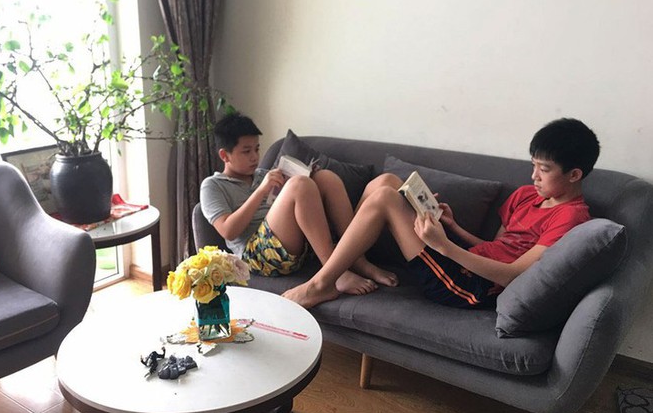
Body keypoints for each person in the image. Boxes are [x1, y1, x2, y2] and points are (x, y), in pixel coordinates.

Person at [284, 118, 600, 308]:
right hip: (464, 260)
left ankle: (321, 284)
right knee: (387, 182)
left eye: (544, 169)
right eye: (533, 165)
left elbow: (513, 274)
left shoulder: (571, 218)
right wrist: (453, 226)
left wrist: (444, 245)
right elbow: (494, 247)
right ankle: (357, 262)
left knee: (385, 198)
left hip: (472, 288)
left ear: (574, 174)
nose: (534, 176)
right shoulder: (525, 196)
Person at [200, 112, 397, 295]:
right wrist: (262, 191)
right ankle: (334, 274)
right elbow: (228, 231)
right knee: (299, 185)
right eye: (246, 151)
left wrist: (309, 181)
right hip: (257, 256)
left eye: (257, 149)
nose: (254, 157)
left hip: (296, 243)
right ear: (225, 155)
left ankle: (358, 261)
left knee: (325, 177)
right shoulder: (212, 185)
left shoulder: (263, 175)